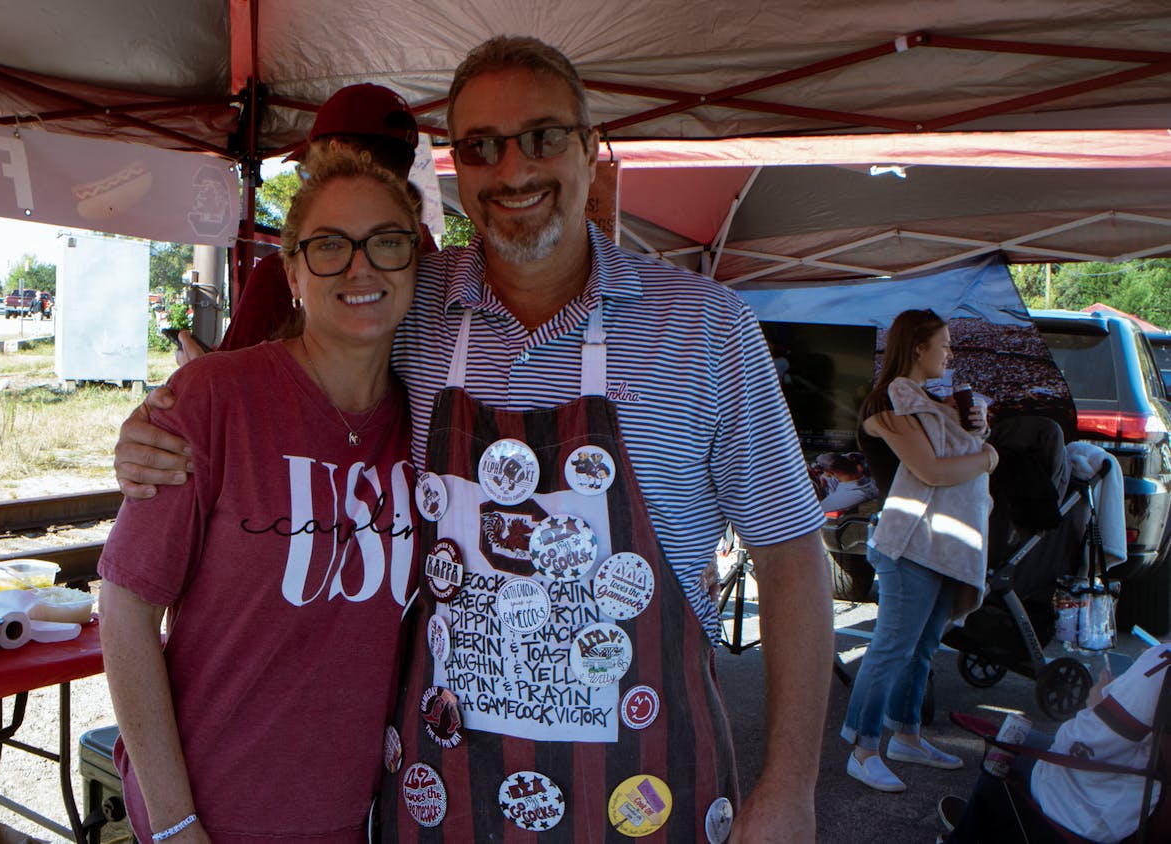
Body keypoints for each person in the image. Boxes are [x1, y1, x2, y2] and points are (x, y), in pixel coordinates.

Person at [115, 35, 834, 843]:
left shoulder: (705, 329)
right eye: (483, 147)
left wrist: (791, 788)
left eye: (544, 137)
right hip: (443, 798)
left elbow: (789, 556)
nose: (515, 170)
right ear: (458, 166)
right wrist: (160, 428)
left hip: (646, 793)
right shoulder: (413, 305)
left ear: (592, 150)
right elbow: (300, 369)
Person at [97, 148, 422, 843]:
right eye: (330, 246)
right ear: (295, 274)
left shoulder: (429, 420)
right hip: (215, 818)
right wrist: (176, 821)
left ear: (416, 262)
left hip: (369, 820)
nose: (361, 267)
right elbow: (125, 611)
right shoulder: (215, 397)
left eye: (387, 243)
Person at [843, 308, 998, 792]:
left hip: (939, 544)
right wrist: (987, 456)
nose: (950, 354)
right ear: (917, 347)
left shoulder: (931, 406)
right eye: (944, 344)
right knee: (891, 648)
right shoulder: (886, 407)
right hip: (909, 544)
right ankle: (863, 748)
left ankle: (906, 736)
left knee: (921, 648)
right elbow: (932, 470)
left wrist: (977, 426)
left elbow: (949, 456)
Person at [218, 82, 425, 352]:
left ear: (338, 155)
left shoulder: (283, 274)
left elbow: (234, 380)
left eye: (307, 170)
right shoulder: (437, 270)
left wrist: (200, 376)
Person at [940, 640, 1170, 843]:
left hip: (1105, 815)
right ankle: (978, 824)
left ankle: (967, 834)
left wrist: (1096, 701)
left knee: (1010, 741)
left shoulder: (1162, 662)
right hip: (1149, 802)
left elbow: (1084, 741)